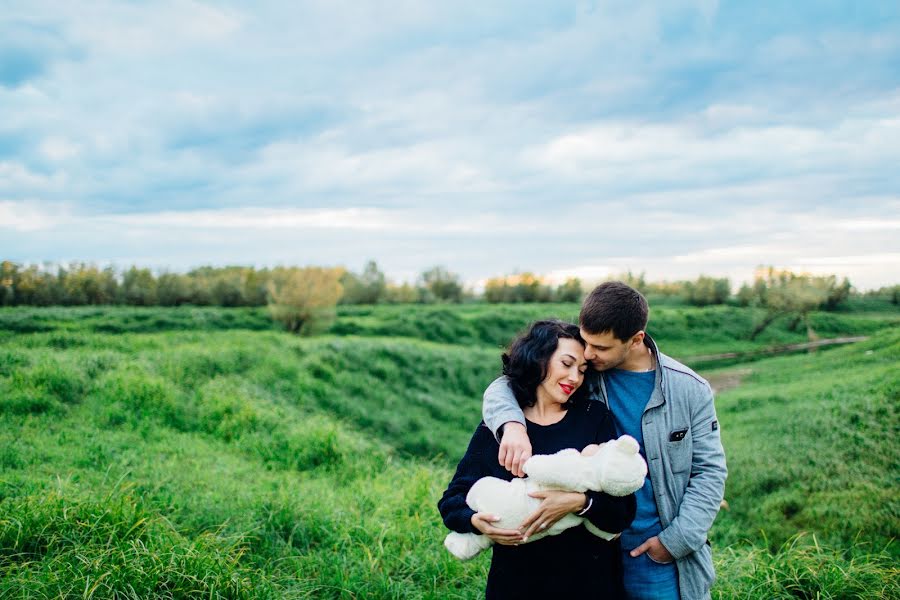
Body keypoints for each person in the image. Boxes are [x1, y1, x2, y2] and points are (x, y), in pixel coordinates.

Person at [483, 283, 727, 600]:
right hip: (588, 548)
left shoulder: (689, 389)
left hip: (652, 554)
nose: (588, 354)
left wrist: (673, 544)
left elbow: (709, 471)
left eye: (601, 347)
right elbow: (507, 383)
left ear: (636, 339)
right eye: (586, 342)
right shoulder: (583, 375)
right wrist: (511, 425)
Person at [439, 320, 637, 599]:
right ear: (538, 359)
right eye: (566, 364)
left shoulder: (594, 417)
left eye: (582, 370)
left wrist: (580, 503)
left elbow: (624, 508)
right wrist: (475, 522)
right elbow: (452, 500)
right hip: (517, 584)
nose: (575, 378)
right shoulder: (499, 430)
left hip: (591, 583)